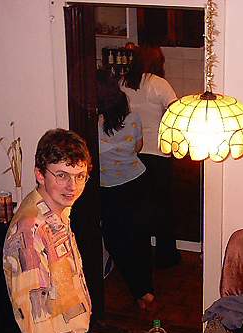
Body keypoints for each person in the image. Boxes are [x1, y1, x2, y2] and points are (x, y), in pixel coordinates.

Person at [3, 129, 93, 333]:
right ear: (39, 174)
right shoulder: (30, 230)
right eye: (62, 175)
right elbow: (34, 313)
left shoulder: (56, 211)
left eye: (80, 176)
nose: (72, 186)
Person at [97, 69, 156, 310]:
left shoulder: (94, 123)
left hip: (111, 189)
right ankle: (145, 289)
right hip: (137, 181)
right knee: (138, 237)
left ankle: (140, 290)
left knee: (115, 240)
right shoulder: (132, 117)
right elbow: (137, 147)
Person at [120, 45, 181, 268]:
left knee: (138, 208)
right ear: (157, 62)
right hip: (157, 152)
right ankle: (167, 255)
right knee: (163, 207)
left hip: (132, 153)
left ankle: (140, 255)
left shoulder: (124, 83)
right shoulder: (159, 84)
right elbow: (176, 112)